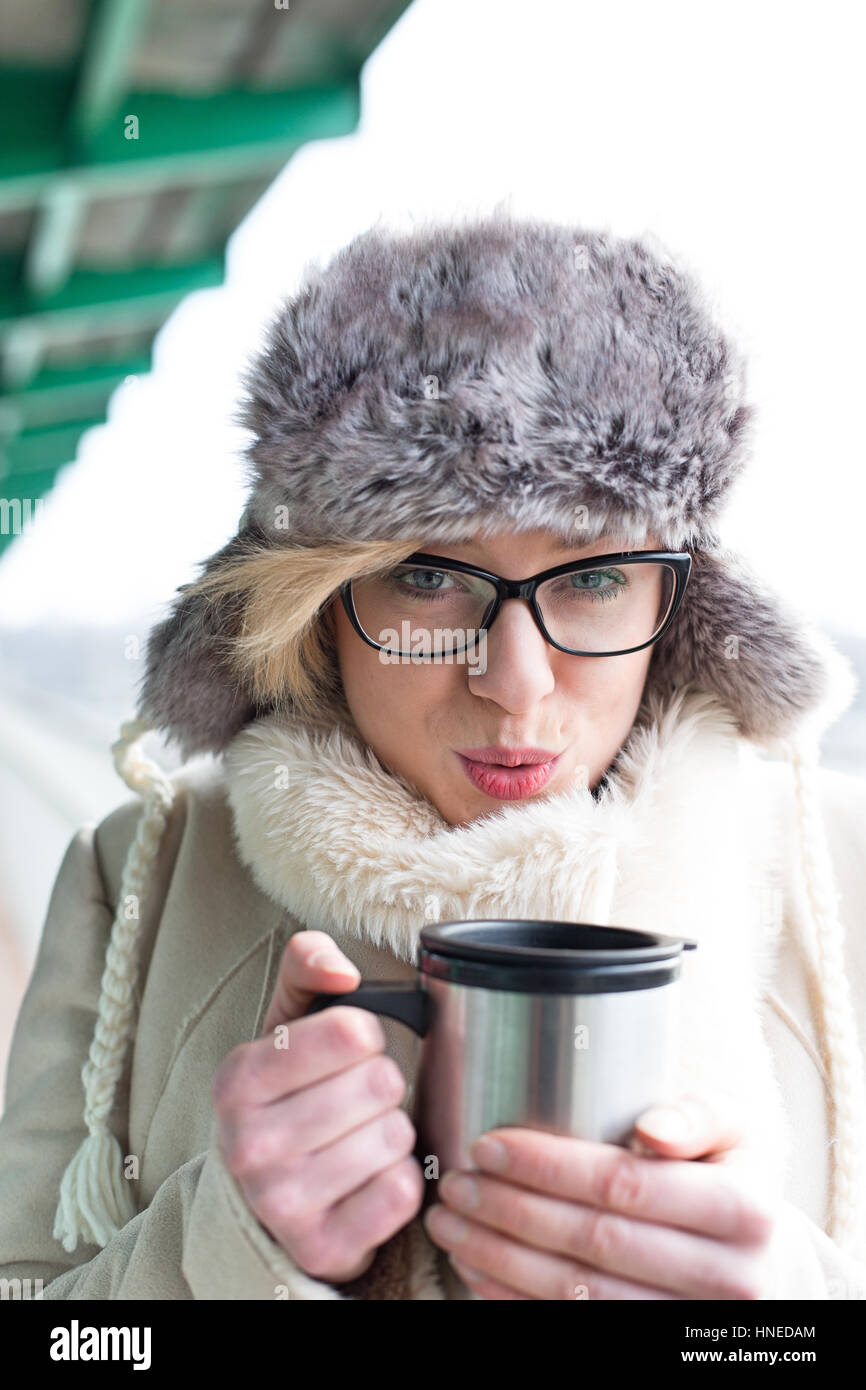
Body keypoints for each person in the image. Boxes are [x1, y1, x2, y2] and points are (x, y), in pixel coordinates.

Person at [1, 211, 865, 1301]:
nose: (513, 682)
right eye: (427, 577)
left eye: (591, 579)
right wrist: (230, 1247)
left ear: (677, 599)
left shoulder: (842, 874)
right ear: (316, 602)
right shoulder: (145, 876)